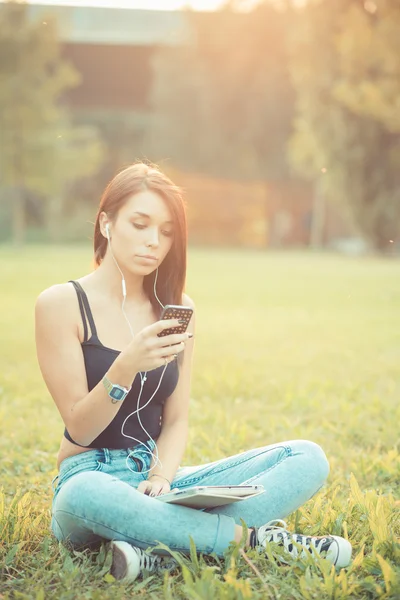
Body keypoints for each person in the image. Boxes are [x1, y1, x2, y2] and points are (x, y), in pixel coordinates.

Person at [35, 163, 352, 582]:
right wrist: (127, 363)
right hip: (90, 481)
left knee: (306, 458)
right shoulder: (60, 304)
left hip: (155, 480)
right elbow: (80, 427)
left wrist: (162, 477)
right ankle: (254, 541)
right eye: (140, 224)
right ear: (106, 223)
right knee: (86, 493)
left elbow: (178, 418)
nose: (153, 242)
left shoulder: (177, 308)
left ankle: (162, 551)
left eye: (166, 232)